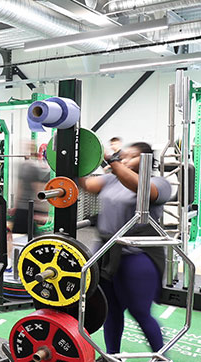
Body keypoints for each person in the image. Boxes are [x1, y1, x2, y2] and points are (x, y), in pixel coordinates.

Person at [77, 142, 171, 355]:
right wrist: (69, 158)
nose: (126, 159)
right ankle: (113, 356)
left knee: (140, 312)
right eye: (123, 156)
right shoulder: (111, 179)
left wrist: (112, 160)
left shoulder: (160, 183)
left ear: (147, 159)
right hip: (106, 252)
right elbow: (84, 184)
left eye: (132, 156)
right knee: (111, 311)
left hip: (137, 255)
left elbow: (143, 189)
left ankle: (161, 357)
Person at [5, 142, 50, 272]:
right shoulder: (38, 166)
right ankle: (36, 263)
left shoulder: (29, 167)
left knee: (11, 236)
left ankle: (9, 265)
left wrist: (40, 210)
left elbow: (38, 188)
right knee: (34, 237)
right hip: (26, 207)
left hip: (28, 207)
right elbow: (22, 187)